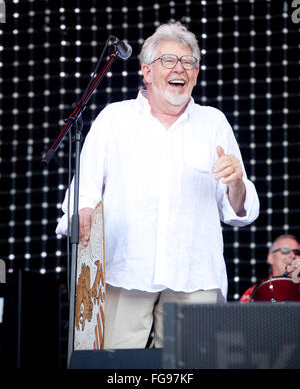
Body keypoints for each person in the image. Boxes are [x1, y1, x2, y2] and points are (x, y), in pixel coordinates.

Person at [56, 21, 260, 349]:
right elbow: (86, 185)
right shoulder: (114, 118)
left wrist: (237, 182)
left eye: (188, 62)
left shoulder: (214, 123)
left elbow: (239, 210)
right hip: (124, 268)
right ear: (147, 72)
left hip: (194, 273)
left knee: (191, 368)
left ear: (195, 72)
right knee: (114, 366)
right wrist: (82, 213)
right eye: (169, 61)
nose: (180, 68)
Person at [239, 234, 300, 302]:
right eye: (285, 250)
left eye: (297, 252)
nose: (292, 255)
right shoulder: (253, 292)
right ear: (270, 258)